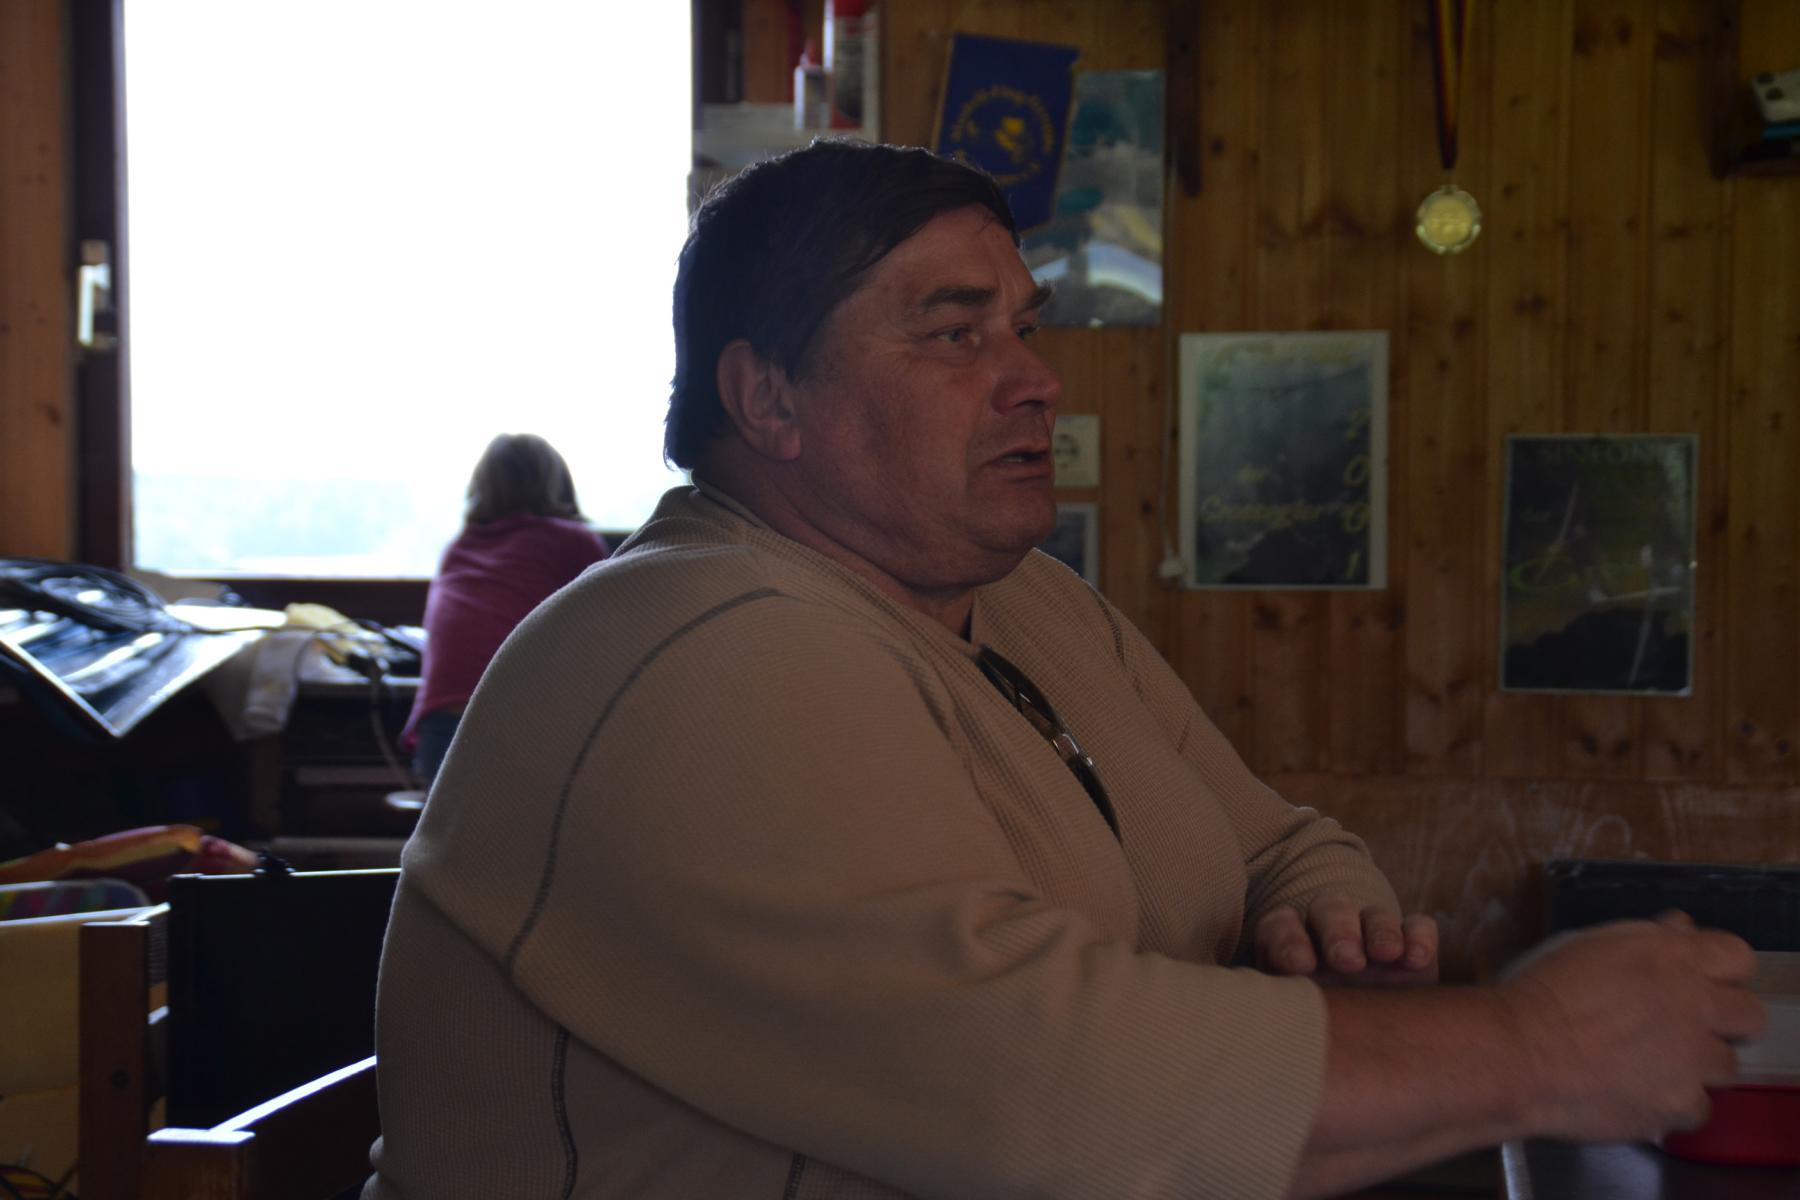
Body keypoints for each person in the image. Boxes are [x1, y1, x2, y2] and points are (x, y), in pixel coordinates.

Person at [363, 142, 1763, 1199]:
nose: (1034, 378)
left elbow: (1273, 840)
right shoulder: (691, 653)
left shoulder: (1030, 604)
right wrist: (1535, 1048)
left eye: (1023, 327)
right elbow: (1042, 1094)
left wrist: (1323, 922)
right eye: (953, 332)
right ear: (767, 397)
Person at [400, 433, 609, 785]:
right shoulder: (573, 542)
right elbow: (605, 643)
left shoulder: (460, 547)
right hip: (517, 729)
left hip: (438, 736)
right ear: (556, 482)